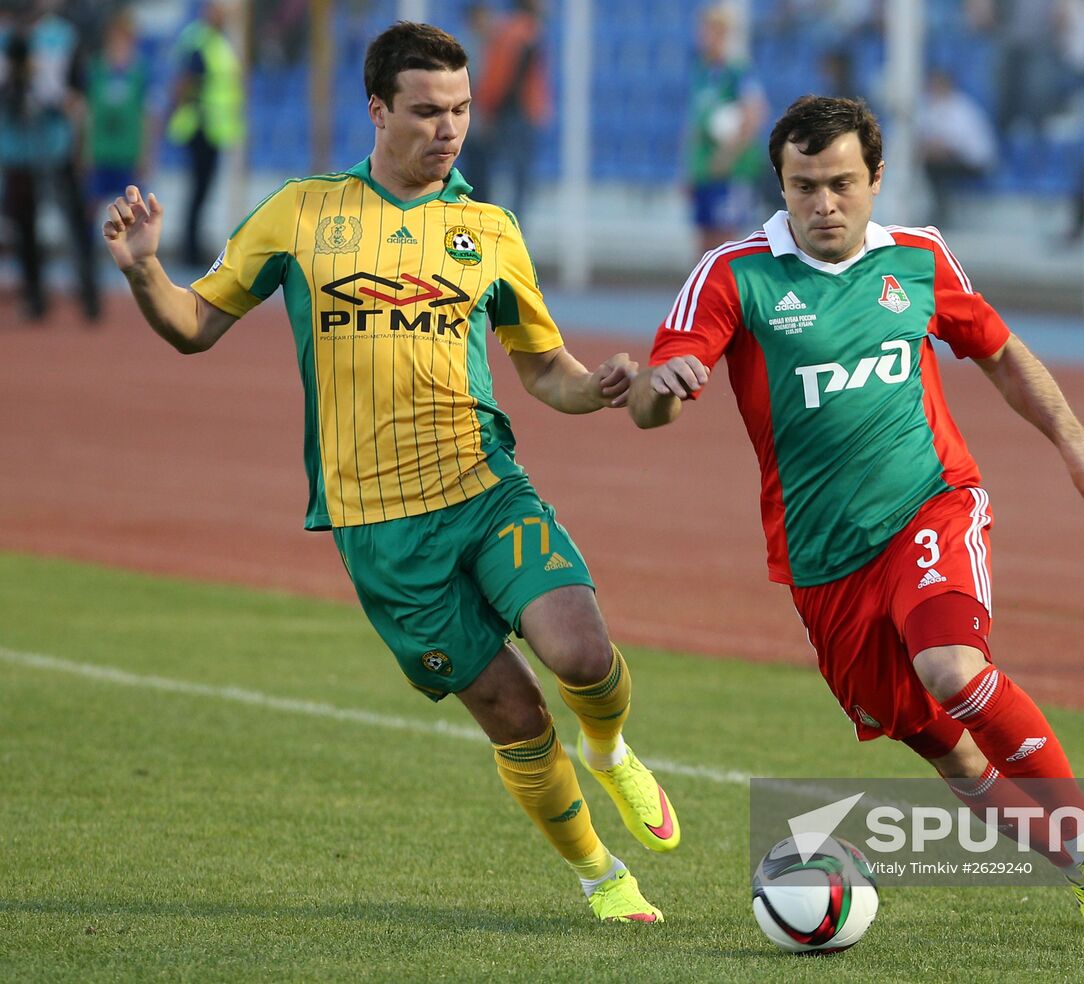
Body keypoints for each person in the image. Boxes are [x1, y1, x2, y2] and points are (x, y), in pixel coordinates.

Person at [102, 21, 676, 925]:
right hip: (380, 531)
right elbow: (194, 326)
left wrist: (599, 388)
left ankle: (609, 749)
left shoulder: (489, 229)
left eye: (460, 109)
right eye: (426, 111)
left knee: (583, 654)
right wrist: (144, 275)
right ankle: (602, 875)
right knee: (515, 715)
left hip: (486, 487)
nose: (448, 129)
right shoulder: (299, 214)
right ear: (377, 109)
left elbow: (542, 368)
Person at [630, 96, 1084, 933]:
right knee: (944, 745)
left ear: (877, 179)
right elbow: (660, 392)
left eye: (841, 184)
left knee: (951, 668)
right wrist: (663, 392)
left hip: (930, 504)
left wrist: (1077, 445)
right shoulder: (733, 274)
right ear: (782, 185)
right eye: (804, 187)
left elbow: (1001, 354)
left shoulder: (918, 259)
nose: (823, 205)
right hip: (822, 561)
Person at [0, 1, 100, 322]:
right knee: (24, 223)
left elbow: (74, 93)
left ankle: (88, 296)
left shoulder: (62, 36)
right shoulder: (7, 37)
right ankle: (35, 297)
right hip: (17, 144)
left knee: (72, 220)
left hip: (56, 142)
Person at [683, 3, 768, 254]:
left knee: (726, 240)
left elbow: (754, 115)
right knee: (703, 240)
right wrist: (688, 168)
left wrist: (727, 155)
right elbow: (695, 123)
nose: (704, 36)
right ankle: (704, 292)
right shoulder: (700, 71)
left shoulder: (737, 71)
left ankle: (727, 294)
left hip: (731, 172)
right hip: (703, 170)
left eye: (710, 30)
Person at [166, 1, 245, 267]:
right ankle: (189, 250)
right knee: (198, 191)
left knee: (201, 191)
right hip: (202, 126)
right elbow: (185, 82)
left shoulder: (213, 41)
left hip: (211, 127)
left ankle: (192, 247)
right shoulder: (203, 41)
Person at [467, 0, 549, 217]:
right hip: (515, 115)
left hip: (516, 114)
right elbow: (501, 78)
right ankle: (511, 230)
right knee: (515, 178)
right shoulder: (520, 32)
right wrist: (490, 110)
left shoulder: (515, 30)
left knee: (511, 178)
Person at [917, 69, 998, 229]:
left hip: (975, 162)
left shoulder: (961, 109)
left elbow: (952, 147)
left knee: (933, 167)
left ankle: (941, 213)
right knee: (930, 165)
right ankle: (937, 210)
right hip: (954, 160)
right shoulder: (931, 108)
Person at [86, 10, 151, 208]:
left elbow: (146, 116)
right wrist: (84, 150)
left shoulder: (140, 72)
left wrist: (145, 155)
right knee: (93, 207)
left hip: (128, 154)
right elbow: (89, 113)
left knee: (132, 211)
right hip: (101, 151)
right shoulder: (97, 69)